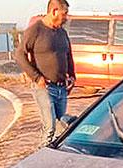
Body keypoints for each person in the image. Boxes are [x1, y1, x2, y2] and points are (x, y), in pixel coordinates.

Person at [16, 0, 75, 145]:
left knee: (63, 127)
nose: (66, 17)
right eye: (64, 13)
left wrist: (72, 75)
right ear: (54, 11)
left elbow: (68, 55)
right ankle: (42, 156)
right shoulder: (35, 30)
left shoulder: (62, 33)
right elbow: (19, 55)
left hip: (61, 88)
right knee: (50, 127)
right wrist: (37, 78)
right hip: (45, 87)